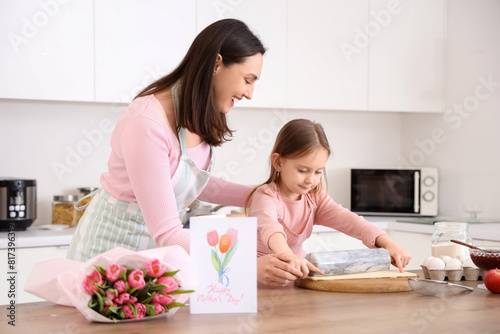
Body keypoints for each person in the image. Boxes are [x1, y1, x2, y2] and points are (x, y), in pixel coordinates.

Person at [67, 19, 302, 284]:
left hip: (151, 264)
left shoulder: (196, 115)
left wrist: (263, 194)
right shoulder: (147, 123)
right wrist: (248, 265)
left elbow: (193, 183)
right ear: (216, 63)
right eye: (248, 80)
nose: (250, 93)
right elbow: (168, 231)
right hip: (106, 262)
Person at [246, 119, 412, 283]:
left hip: (297, 278)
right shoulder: (265, 197)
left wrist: (388, 243)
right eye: (303, 170)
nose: (310, 180)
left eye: (318, 172)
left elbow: (350, 221)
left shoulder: (314, 199)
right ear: (278, 162)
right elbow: (270, 228)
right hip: (260, 282)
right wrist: (288, 256)